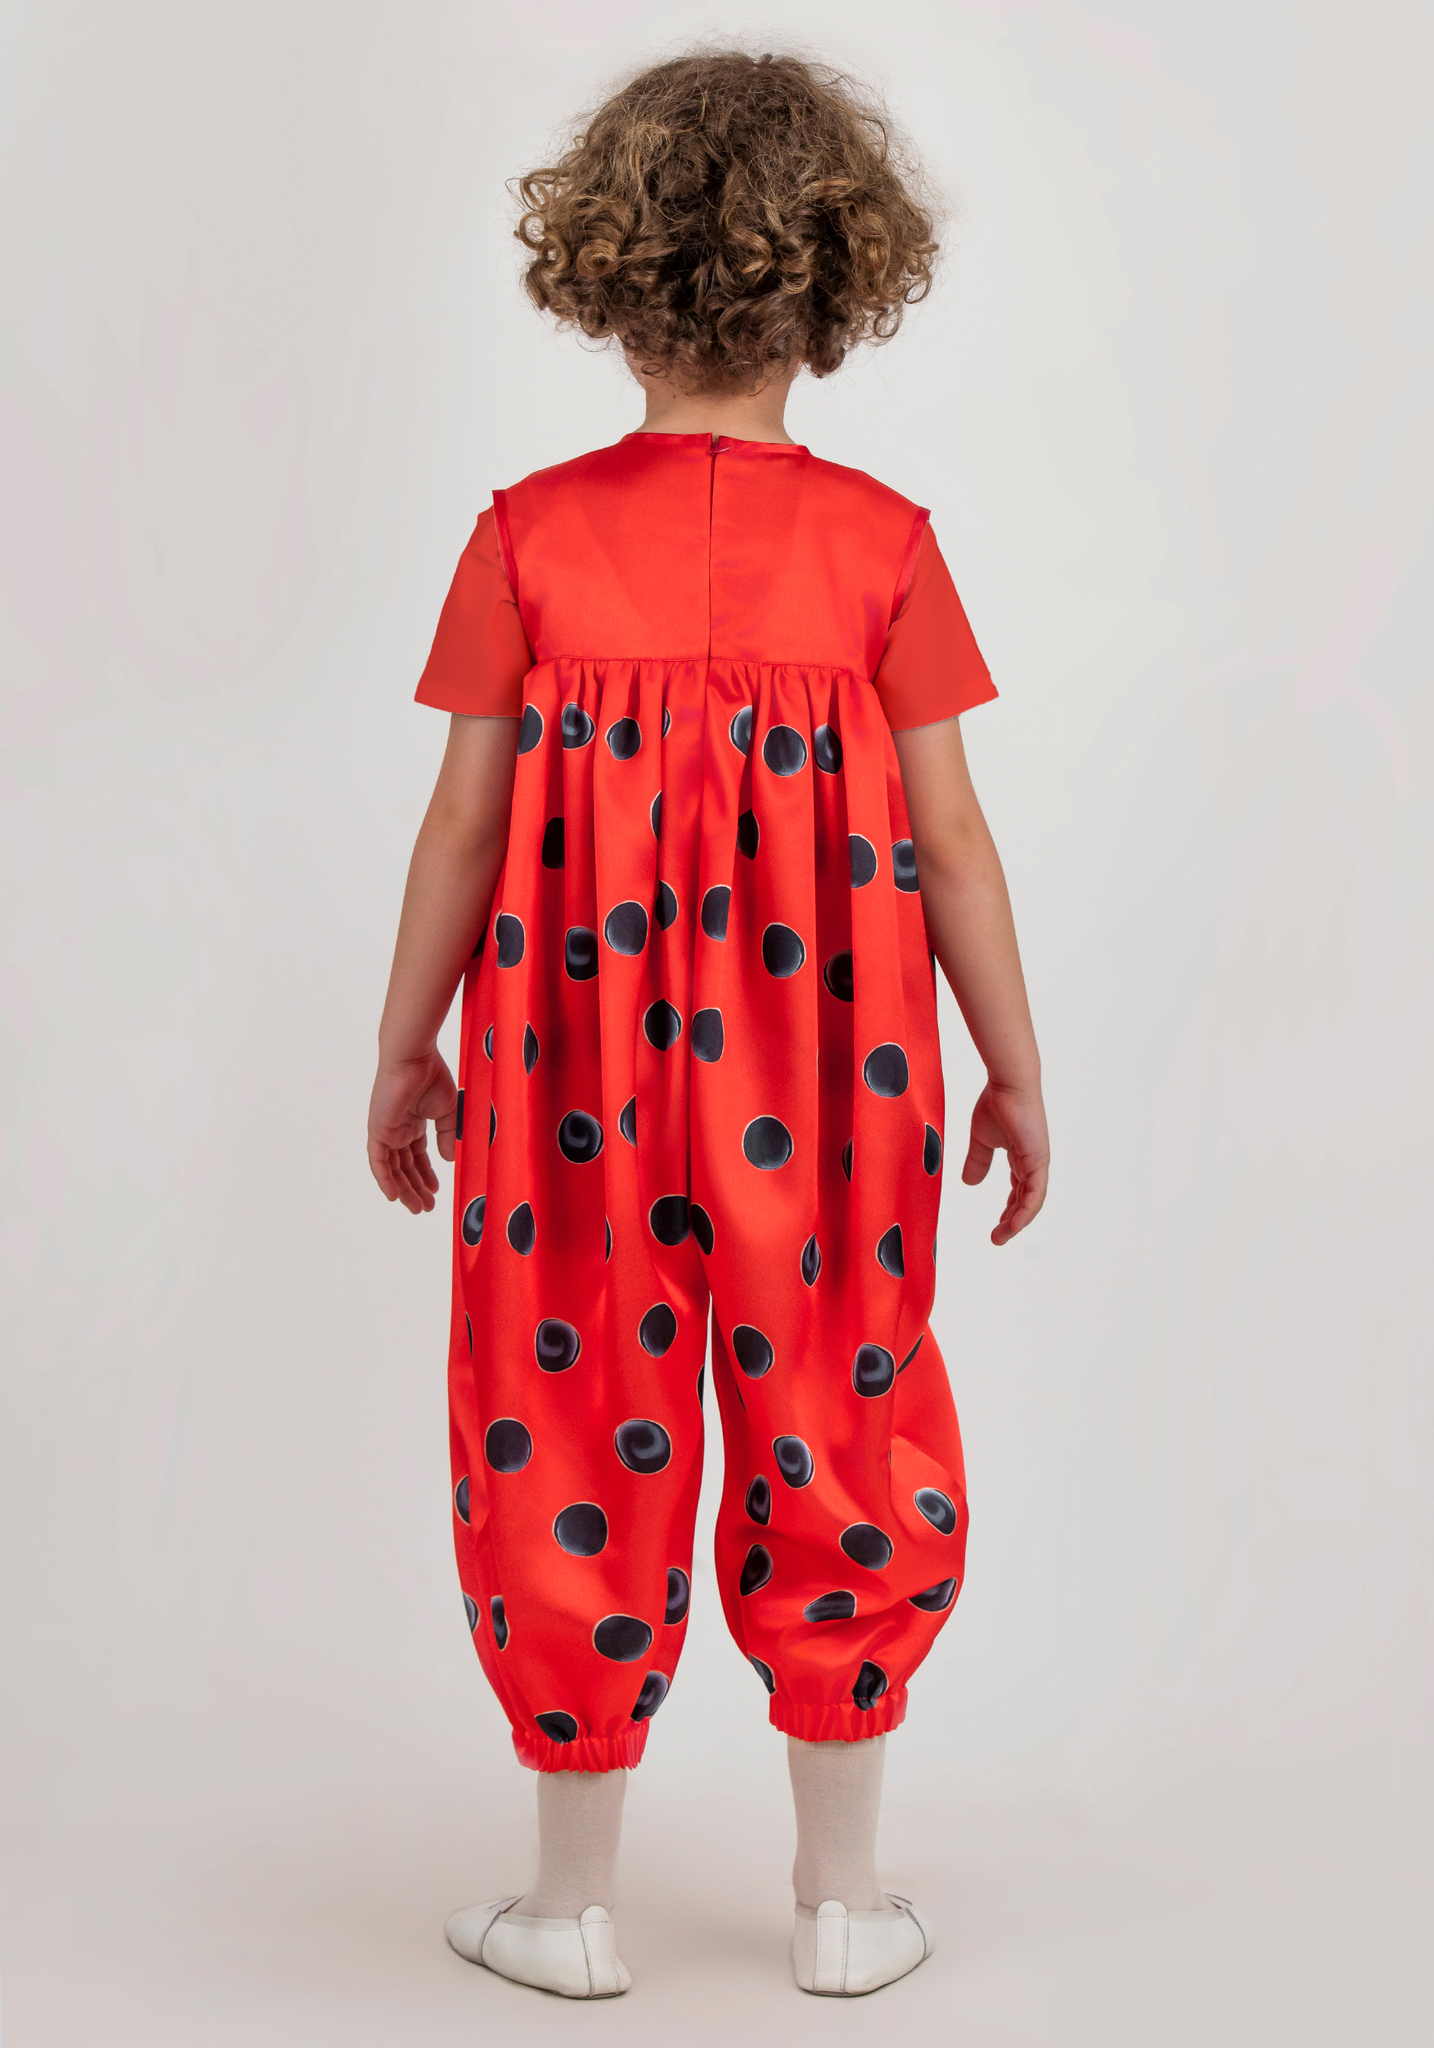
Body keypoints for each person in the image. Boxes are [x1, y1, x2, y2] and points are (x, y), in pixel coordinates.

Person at [367, 47, 1048, 2001]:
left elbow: (462, 827)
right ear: (838, 278)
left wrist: (404, 1046)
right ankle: (841, 1903)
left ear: (607, 270)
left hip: (566, 1083)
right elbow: (955, 842)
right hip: (827, 1088)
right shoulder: (884, 548)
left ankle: (569, 1908)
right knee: (839, 1403)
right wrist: (1014, 1065)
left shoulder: (526, 538)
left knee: (567, 1411)